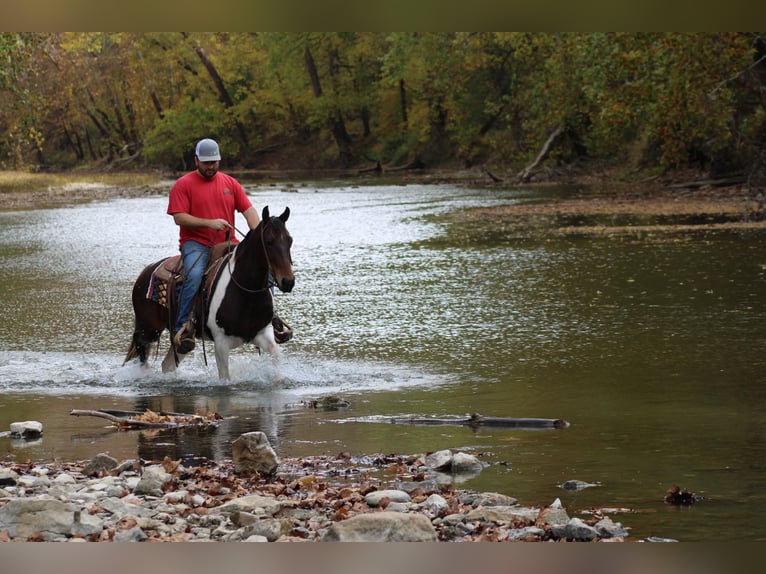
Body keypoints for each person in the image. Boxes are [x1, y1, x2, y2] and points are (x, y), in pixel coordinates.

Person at [167, 138, 261, 353]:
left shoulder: (230, 183)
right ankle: (183, 326)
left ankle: (269, 318)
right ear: (196, 161)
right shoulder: (183, 184)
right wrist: (209, 223)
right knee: (194, 276)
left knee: (261, 269)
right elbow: (179, 218)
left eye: (214, 162)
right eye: (206, 162)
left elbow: (249, 211)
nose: (211, 167)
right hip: (196, 244)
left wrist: (257, 236)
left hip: (229, 243)